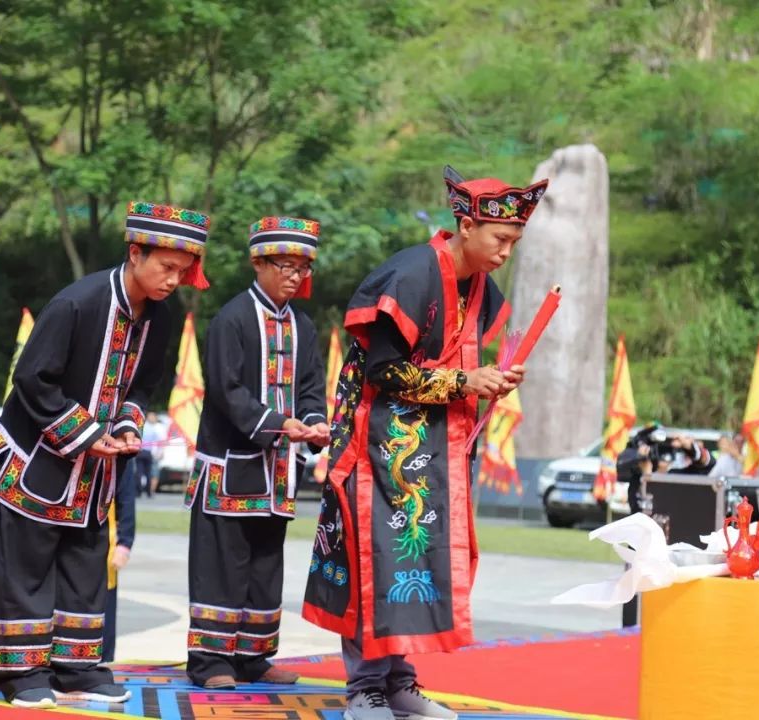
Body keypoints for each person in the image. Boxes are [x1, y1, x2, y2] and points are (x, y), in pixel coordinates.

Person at [302, 165, 546, 720]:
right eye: (500, 239)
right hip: (375, 443)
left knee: (417, 561)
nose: (506, 252)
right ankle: (363, 687)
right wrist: (464, 382)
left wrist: (490, 379)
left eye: (513, 242)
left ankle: (401, 683)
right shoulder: (411, 275)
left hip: (432, 450)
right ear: (465, 225)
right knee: (374, 561)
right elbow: (384, 370)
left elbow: (459, 362)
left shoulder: (481, 286)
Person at [0, 200, 210, 708]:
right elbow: (33, 378)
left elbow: (143, 387)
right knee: (26, 567)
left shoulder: (159, 321)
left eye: (182, 272)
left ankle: (76, 668)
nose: (172, 280)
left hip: (95, 471)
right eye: (166, 267)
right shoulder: (78, 302)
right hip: (33, 460)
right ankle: (19, 674)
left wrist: (124, 428)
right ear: (135, 252)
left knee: (84, 563)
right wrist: (83, 432)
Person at [184, 216, 329, 690]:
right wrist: (275, 424)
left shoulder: (303, 325)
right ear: (259, 263)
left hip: (279, 469)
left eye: (302, 268)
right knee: (222, 563)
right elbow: (227, 391)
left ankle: (254, 656)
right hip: (231, 466)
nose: (295, 275)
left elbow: (309, 388)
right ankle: (210, 662)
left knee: (267, 563)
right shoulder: (232, 318)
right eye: (285, 265)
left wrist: (314, 421)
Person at [102, 459, 137, 662]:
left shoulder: (119, 453)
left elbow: (126, 497)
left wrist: (125, 543)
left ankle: (103, 660)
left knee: (105, 602)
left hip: (107, 538)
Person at [141, 411, 169, 496]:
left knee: (154, 473)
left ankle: (151, 490)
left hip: (155, 453)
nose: (151, 418)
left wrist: (161, 451)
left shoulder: (159, 427)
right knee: (144, 472)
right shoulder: (146, 426)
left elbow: (162, 441)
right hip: (146, 452)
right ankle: (145, 489)